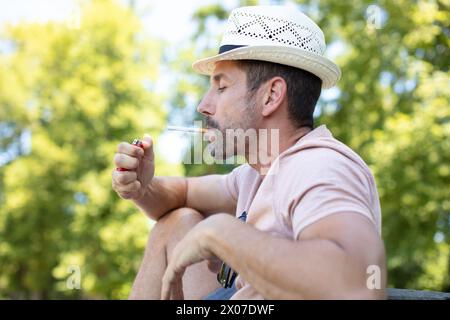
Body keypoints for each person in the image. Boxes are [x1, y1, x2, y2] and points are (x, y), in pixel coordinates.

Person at [112, 5, 387, 300]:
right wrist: (141, 187)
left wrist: (221, 233)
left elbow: (360, 282)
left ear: (270, 96)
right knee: (176, 222)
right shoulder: (254, 175)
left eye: (221, 87)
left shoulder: (320, 166)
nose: (203, 106)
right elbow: (184, 192)